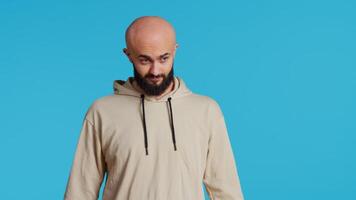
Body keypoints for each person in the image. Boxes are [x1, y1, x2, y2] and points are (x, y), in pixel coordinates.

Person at [64, 16, 244, 200]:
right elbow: (80, 191)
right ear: (128, 55)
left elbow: (226, 190)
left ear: (175, 51)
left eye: (164, 58)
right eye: (144, 60)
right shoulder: (101, 112)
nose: (155, 71)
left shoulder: (206, 111)